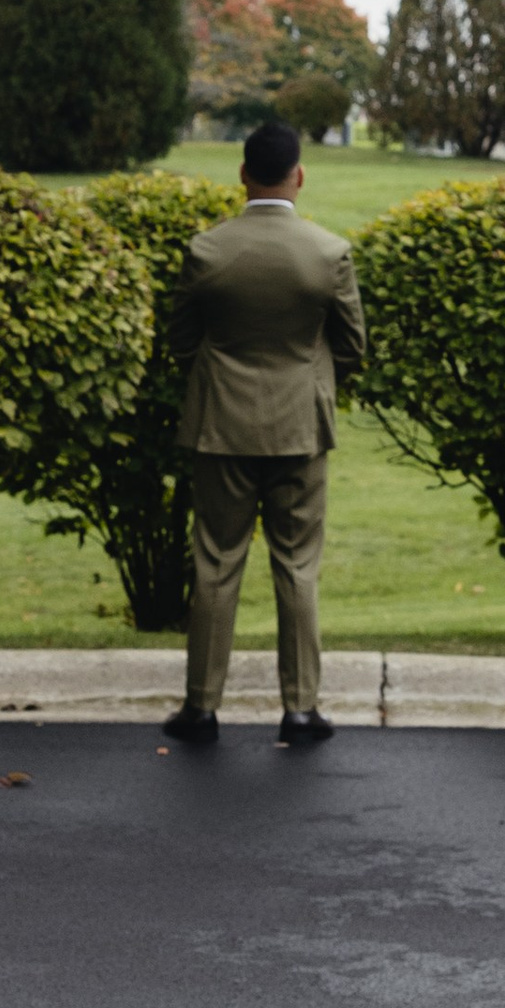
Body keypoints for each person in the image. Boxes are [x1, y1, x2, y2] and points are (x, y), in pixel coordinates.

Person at [161, 120, 368, 750]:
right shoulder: (328, 253)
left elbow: (180, 342)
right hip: (300, 427)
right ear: (298, 176)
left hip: (220, 427)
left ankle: (201, 708)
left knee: (216, 565)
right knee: (297, 568)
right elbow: (354, 346)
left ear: (244, 175)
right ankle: (300, 709)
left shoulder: (207, 250)